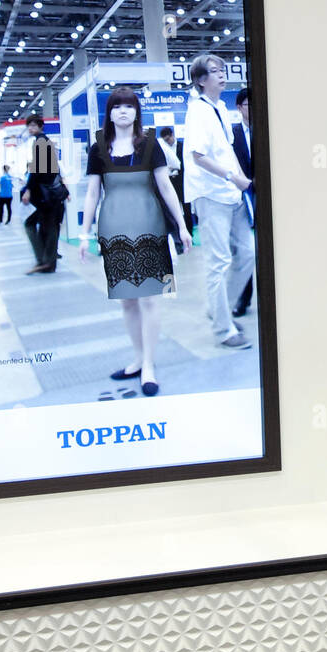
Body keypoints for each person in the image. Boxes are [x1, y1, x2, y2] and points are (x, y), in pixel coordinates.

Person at [79, 87, 191, 397]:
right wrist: (85, 234)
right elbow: (92, 193)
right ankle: (138, 359)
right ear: (110, 112)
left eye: (130, 106)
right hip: (113, 231)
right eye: (118, 107)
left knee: (152, 298)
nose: (124, 111)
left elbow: (167, 187)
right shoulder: (97, 147)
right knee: (127, 299)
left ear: (137, 111)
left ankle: (150, 365)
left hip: (151, 228)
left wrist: (182, 225)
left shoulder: (151, 144)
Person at [182, 52, 256, 349]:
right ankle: (224, 330)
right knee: (219, 261)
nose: (221, 75)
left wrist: (241, 181)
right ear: (201, 80)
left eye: (223, 70)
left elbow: (226, 150)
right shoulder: (197, 111)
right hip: (210, 195)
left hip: (232, 195)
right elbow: (199, 157)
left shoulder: (222, 108)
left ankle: (218, 309)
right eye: (214, 71)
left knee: (249, 254)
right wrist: (231, 176)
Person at [21, 114, 65, 274]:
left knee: (33, 224)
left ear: (40, 126)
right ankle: (47, 262)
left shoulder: (40, 141)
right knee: (47, 226)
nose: (31, 128)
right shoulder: (45, 142)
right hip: (50, 193)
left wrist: (28, 189)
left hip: (44, 194)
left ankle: (44, 260)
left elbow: (37, 170)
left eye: (34, 125)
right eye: (29, 125)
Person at [232, 87, 256, 318]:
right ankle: (243, 299)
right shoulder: (232, 135)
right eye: (249, 104)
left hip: (267, 197)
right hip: (242, 199)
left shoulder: (269, 130)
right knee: (244, 252)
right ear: (239, 108)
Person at [158, 126, 193, 236]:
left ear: (173, 135)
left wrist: (175, 168)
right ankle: (177, 235)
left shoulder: (183, 147)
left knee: (187, 209)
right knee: (173, 209)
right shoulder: (162, 149)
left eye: (168, 139)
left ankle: (190, 233)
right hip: (170, 183)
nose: (167, 142)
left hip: (183, 182)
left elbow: (188, 165)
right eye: (165, 140)